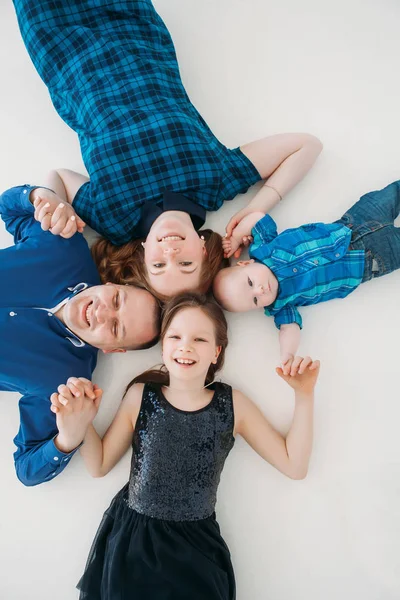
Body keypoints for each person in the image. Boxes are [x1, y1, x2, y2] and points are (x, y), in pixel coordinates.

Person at [12, 0, 323, 298]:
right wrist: (255, 212)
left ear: (145, 254)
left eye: (159, 265)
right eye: (186, 264)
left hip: (61, 47)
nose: (170, 254)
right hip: (133, 25)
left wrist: (54, 199)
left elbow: (60, 177)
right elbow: (306, 146)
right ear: (203, 249)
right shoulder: (215, 182)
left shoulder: (114, 220)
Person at [51, 293, 320, 599]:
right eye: (175, 336)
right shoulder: (141, 396)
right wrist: (80, 420)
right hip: (133, 546)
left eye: (200, 339)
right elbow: (98, 466)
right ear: (164, 345)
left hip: (196, 552)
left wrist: (304, 395)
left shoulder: (232, 405)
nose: (186, 346)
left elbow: (294, 465)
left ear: (216, 352)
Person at [0, 173, 161, 487]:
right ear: (112, 285)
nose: (102, 312)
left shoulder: (66, 383)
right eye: (115, 300)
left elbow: (27, 469)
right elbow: (8, 208)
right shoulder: (66, 247)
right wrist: (40, 196)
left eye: (115, 327)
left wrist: (68, 438)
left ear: (112, 349)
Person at [213, 179, 400, 374]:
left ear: (246, 263)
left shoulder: (262, 248)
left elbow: (257, 218)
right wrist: (287, 355)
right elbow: (289, 329)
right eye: (255, 300)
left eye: (250, 282)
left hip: (354, 222)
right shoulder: (280, 305)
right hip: (373, 260)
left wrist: (234, 239)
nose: (260, 290)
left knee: (391, 194)